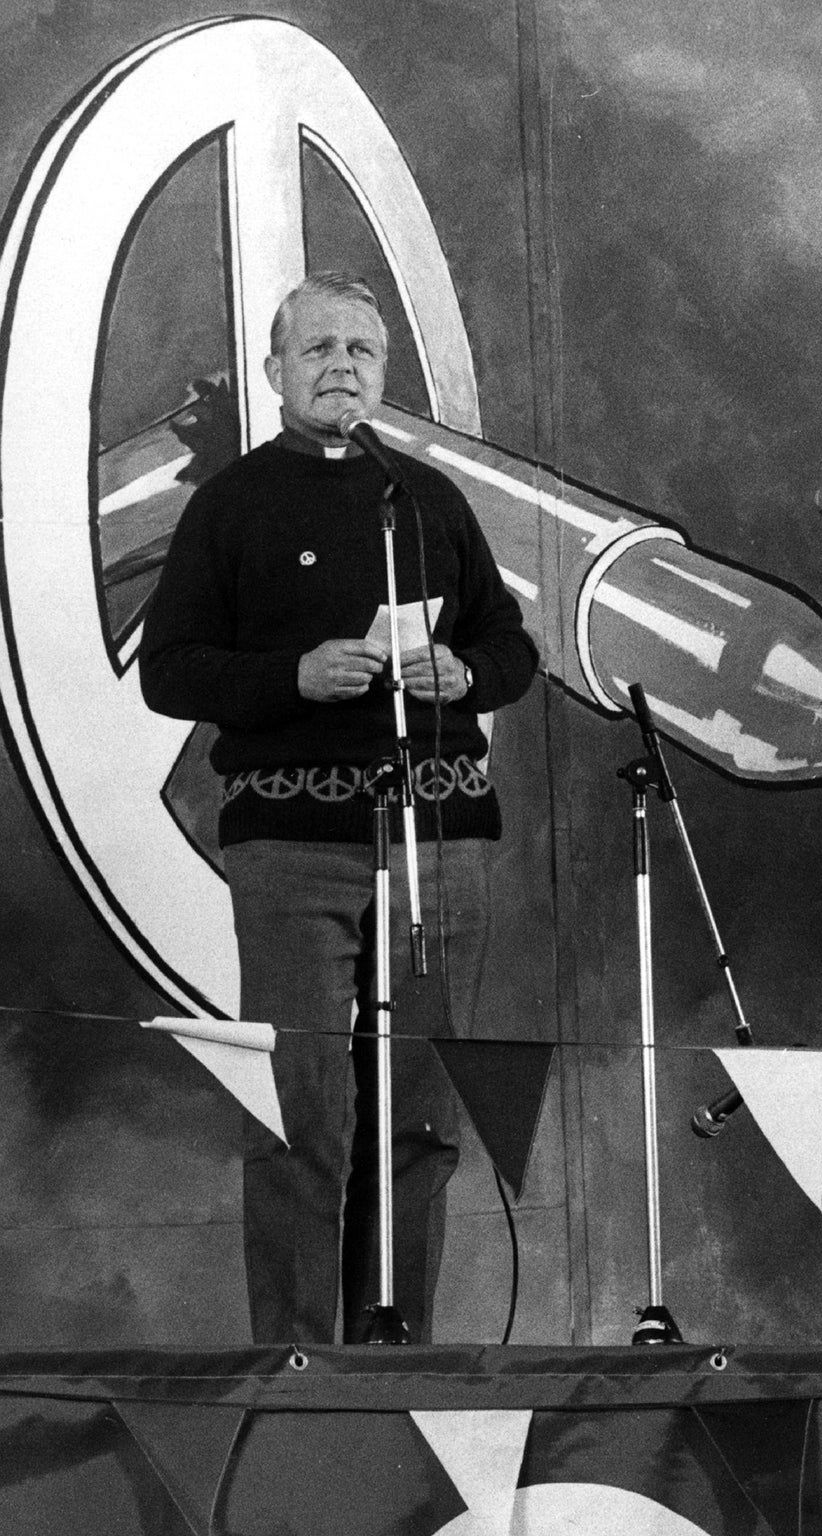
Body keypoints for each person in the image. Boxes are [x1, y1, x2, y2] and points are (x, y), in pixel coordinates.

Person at [140, 271, 538, 1344]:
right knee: (301, 1113)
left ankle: (393, 1343)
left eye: (360, 350)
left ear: (383, 372)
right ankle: (294, 1358)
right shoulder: (231, 504)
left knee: (419, 1114)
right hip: (292, 852)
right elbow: (170, 672)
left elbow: (513, 649)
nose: (341, 368)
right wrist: (290, 678)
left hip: (437, 845)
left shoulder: (426, 500)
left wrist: (465, 675)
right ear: (274, 372)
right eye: (317, 350)